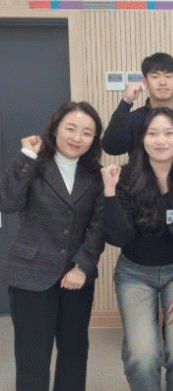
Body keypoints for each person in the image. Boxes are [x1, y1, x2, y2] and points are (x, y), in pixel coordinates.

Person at [0, 101, 105, 391]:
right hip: (30, 275)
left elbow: (97, 228)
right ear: (55, 128)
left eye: (87, 133)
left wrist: (82, 266)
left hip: (76, 278)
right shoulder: (34, 163)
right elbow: (7, 202)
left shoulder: (96, 175)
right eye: (70, 128)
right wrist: (26, 155)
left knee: (74, 354)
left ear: (94, 139)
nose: (77, 137)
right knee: (32, 357)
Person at [101, 107, 173, 391]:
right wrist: (109, 193)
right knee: (142, 355)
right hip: (134, 274)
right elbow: (120, 237)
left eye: (169, 133)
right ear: (142, 139)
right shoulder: (124, 177)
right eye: (152, 133)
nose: (161, 140)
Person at [102, 52, 173, 171]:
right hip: (139, 182)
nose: (162, 82)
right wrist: (126, 101)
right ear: (145, 82)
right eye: (155, 77)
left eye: (168, 76)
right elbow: (111, 147)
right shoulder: (133, 120)